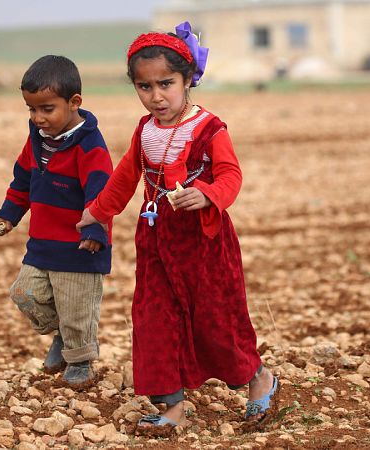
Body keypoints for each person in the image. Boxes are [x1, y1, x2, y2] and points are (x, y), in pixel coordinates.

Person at [76, 22, 277, 432]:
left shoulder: (209, 128)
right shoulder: (144, 130)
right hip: (155, 240)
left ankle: (258, 377)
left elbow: (230, 175)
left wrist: (208, 195)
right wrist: (96, 212)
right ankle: (172, 407)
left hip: (204, 242)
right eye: (144, 87)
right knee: (154, 320)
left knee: (216, 319)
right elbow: (124, 178)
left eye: (166, 84)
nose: (156, 96)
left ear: (188, 80)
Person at [0, 55, 113, 388]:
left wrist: (94, 228)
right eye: (31, 109)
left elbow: (101, 194)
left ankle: (81, 362)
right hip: (42, 245)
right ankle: (61, 335)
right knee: (24, 294)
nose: (37, 117)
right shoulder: (37, 141)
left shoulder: (90, 147)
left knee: (76, 311)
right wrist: (8, 215)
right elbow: (22, 182)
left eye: (46, 109)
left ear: (74, 103)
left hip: (79, 247)